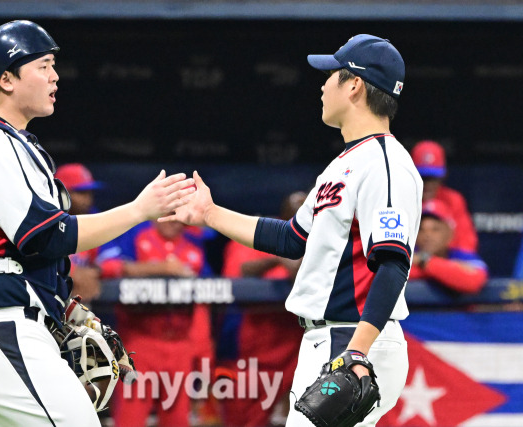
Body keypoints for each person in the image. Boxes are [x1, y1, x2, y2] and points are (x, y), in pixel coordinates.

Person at [0, 20, 193, 426]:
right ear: (6, 78)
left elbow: (21, 251)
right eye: (44, 65)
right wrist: (140, 210)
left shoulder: (11, 141)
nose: (55, 76)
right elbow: (44, 235)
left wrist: (66, 306)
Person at [161, 34, 422, 426]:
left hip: (349, 339)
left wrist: (357, 353)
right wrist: (210, 213)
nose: (321, 85)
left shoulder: (385, 163)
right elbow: (290, 239)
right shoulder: (344, 163)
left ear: (354, 85)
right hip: (328, 339)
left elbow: (392, 264)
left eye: (330, 74)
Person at [107, 220, 213, 427]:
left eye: (180, 218)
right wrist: (163, 269)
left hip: (181, 343)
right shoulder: (138, 237)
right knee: (130, 417)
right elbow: (110, 268)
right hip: (140, 341)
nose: (175, 223)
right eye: (169, 215)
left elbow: (207, 296)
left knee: (177, 419)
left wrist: (202, 350)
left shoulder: (193, 247)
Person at [220, 191, 307, 427]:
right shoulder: (258, 232)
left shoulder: (325, 241)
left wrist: (290, 255)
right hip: (257, 347)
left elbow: (297, 272)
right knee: (247, 419)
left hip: (302, 344)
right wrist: (277, 255)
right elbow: (238, 274)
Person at [411, 140, 478, 252]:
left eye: (433, 178)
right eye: (423, 178)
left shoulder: (453, 200)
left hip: (445, 261)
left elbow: (467, 246)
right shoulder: (401, 199)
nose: (428, 184)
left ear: (443, 176)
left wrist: (432, 261)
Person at [410, 199, 488, 293]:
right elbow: (395, 274)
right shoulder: (407, 256)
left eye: (435, 229)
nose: (427, 235)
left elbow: (473, 281)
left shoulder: (462, 256)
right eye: (421, 229)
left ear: (450, 234)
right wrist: (452, 269)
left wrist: (423, 261)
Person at [55, 163, 104, 302]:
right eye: (81, 192)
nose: (88, 199)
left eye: (90, 193)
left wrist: (95, 273)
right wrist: (71, 272)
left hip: (78, 302)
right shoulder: (45, 220)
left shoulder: (94, 219)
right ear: (62, 193)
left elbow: (111, 261)